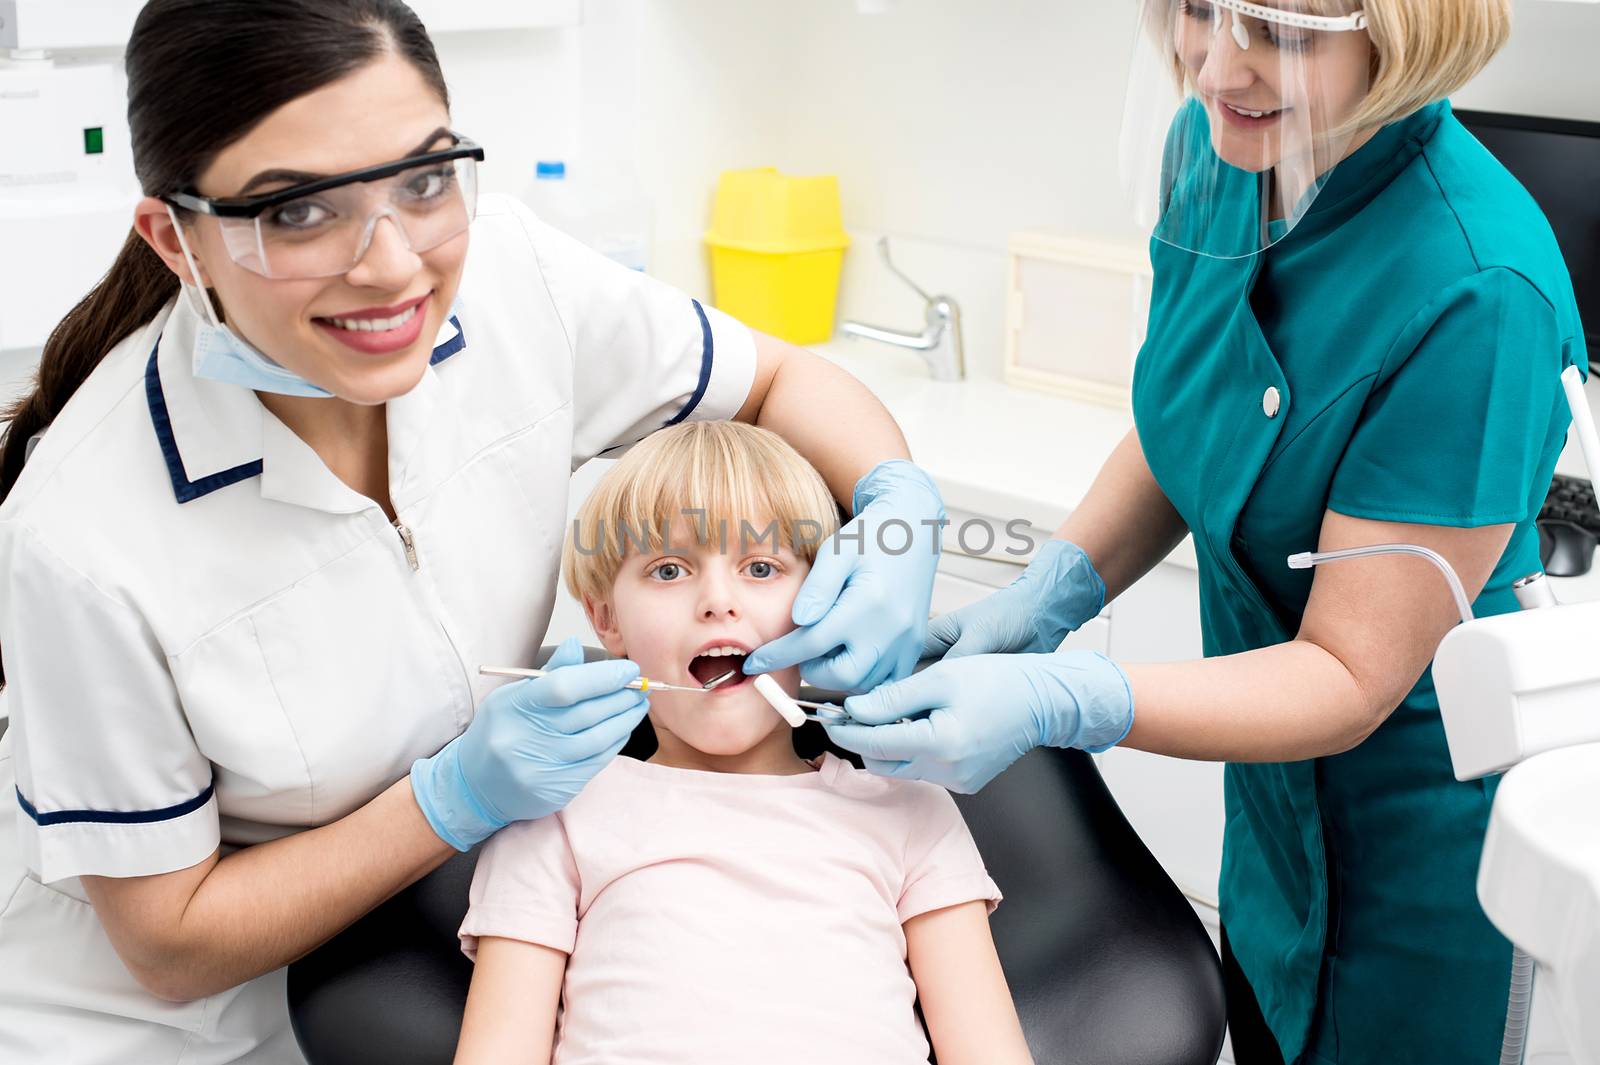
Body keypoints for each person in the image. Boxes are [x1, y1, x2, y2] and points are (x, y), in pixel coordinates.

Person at [0, 3, 943, 1061]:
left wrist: (897, 517)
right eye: (300, 214)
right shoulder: (82, 541)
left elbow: (777, 377)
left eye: (424, 180)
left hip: (420, 945)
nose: (395, 267)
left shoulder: (514, 282)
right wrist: (451, 800)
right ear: (177, 238)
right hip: (176, 1029)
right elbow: (167, 943)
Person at [818, 2, 1587, 1063]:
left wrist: (1066, 696)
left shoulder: (1477, 288)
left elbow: (1350, 674)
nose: (1217, 64)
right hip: (1271, 806)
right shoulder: (1224, 142)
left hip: (1424, 846)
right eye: (1194, 9)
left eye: (1278, 31)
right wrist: (1049, 593)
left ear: (1402, 34)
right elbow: (1189, 417)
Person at [452, 420, 1031, 1065]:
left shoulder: (908, 811)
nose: (717, 602)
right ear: (605, 619)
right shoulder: (555, 818)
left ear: (833, 602)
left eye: (761, 567)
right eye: (669, 569)